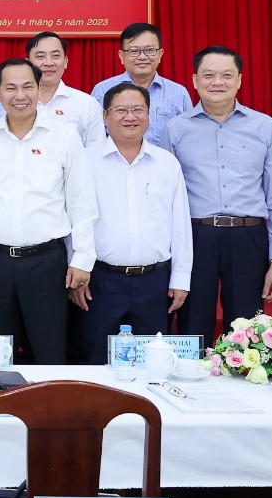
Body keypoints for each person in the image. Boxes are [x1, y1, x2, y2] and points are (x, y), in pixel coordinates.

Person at [0, 59, 98, 365]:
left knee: (49, 352)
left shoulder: (64, 136)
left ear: (39, 89)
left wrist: (82, 258)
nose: (20, 95)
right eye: (10, 88)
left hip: (46, 263)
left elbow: (80, 200)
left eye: (28, 86)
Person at [163, 46, 272, 341]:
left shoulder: (265, 127)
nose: (217, 82)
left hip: (248, 237)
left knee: (246, 332)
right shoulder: (176, 129)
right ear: (195, 80)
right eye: (208, 75)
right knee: (192, 325)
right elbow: (166, 197)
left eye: (226, 75)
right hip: (196, 237)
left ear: (240, 80)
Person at [71, 83, 192, 364]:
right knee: (96, 360)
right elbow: (74, 220)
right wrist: (75, 273)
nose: (130, 117)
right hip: (99, 281)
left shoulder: (167, 163)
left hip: (155, 283)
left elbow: (180, 227)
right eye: (121, 110)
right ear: (105, 116)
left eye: (138, 109)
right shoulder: (85, 160)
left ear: (148, 115)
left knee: (153, 364)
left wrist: (180, 279)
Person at [90, 23, 191, 147]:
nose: (142, 57)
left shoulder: (179, 93)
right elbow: (95, 138)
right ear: (121, 56)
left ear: (160, 54)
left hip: (166, 159)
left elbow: (188, 139)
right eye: (134, 51)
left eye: (149, 50)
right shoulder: (102, 90)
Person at [26, 31, 103, 147]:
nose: (48, 63)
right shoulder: (14, 102)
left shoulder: (87, 104)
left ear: (65, 62)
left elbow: (95, 150)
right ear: (27, 64)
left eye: (55, 56)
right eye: (41, 56)